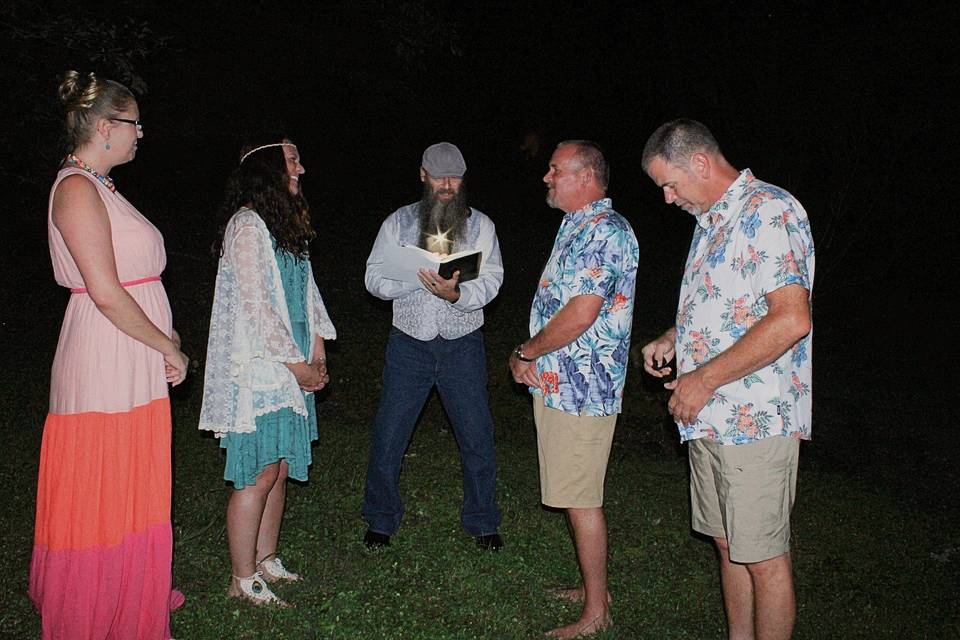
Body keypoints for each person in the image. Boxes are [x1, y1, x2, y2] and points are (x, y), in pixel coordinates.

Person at [29, 71, 189, 639]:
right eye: (134, 123)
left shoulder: (101, 186)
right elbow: (103, 290)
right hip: (105, 351)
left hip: (131, 351)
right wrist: (168, 343)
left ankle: (131, 595)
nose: (140, 133)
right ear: (104, 127)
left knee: (134, 482)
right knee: (101, 486)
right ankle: (90, 610)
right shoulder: (75, 189)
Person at [640, 119, 814, 640]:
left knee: (763, 556)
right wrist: (675, 335)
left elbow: (791, 318)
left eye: (669, 184)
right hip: (709, 415)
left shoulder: (770, 210)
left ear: (699, 162)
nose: (667, 199)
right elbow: (730, 306)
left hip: (754, 419)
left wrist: (703, 379)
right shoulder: (711, 221)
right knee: (728, 544)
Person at [199, 136, 336, 606]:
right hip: (264, 364)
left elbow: (308, 296)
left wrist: (317, 354)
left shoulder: (287, 228)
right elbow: (257, 308)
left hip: (294, 361)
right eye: (293, 160)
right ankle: (241, 577)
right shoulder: (248, 226)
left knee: (278, 469)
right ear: (267, 169)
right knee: (257, 471)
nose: (301, 168)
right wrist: (296, 366)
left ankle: (265, 557)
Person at [509, 140, 638, 638]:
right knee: (571, 491)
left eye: (555, 169)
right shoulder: (577, 226)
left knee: (582, 498)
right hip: (562, 384)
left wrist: (526, 352)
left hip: (583, 390)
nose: (546, 176)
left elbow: (582, 313)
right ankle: (592, 590)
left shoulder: (606, 231)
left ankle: (595, 613)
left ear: (585, 177)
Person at [362, 142, 504, 550]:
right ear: (423, 175)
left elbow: (492, 281)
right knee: (390, 433)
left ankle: (482, 520)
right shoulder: (397, 223)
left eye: (454, 177)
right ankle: (381, 519)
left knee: (477, 434)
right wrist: (416, 280)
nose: (447, 185)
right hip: (410, 342)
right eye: (439, 176)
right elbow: (374, 279)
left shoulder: (482, 226)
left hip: (462, 343)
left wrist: (457, 296)